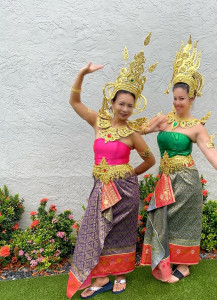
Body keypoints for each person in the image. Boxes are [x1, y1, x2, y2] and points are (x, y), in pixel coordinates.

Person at [140, 36, 217, 283]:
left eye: (182, 99)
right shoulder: (165, 119)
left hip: (186, 180)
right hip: (166, 179)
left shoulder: (196, 126)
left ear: (192, 98)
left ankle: (183, 266)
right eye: (174, 98)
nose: (177, 103)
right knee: (163, 218)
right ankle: (165, 260)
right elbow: (136, 130)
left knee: (185, 222)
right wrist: (146, 128)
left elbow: (212, 153)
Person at [66, 34, 158, 299]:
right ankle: (101, 277)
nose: (126, 109)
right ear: (112, 103)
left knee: (121, 232)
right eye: (121, 104)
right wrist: (82, 73)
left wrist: (130, 173)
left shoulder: (132, 134)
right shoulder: (98, 121)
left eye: (130, 105)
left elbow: (150, 160)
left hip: (125, 191)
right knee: (95, 230)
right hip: (100, 187)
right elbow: (74, 102)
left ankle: (119, 275)